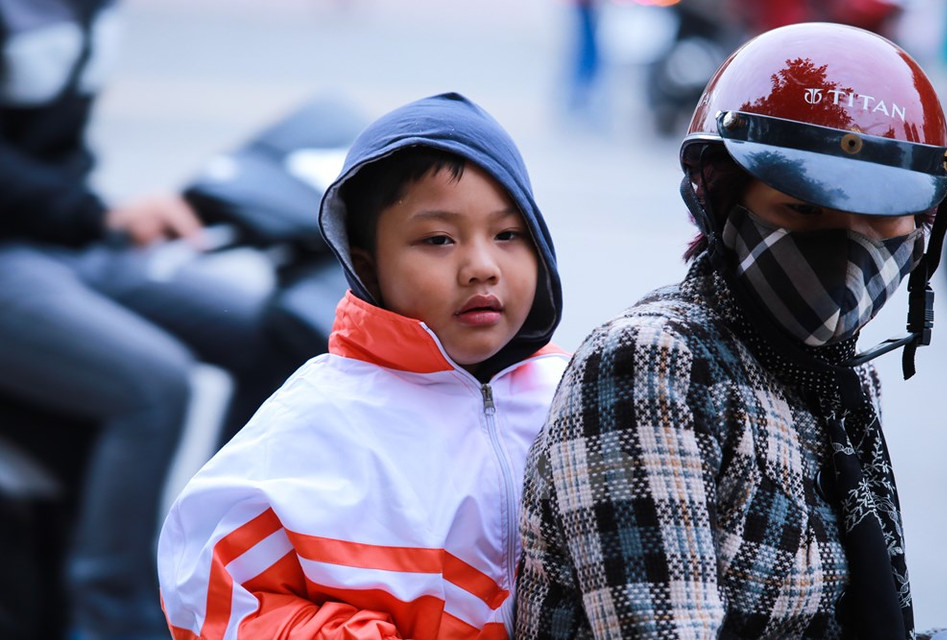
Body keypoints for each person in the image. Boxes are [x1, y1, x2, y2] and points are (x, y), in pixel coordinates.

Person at [515, 22, 947, 640]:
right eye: (805, 209)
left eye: (881, 216)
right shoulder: (651, 366)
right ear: (722, 203)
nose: (849, 244)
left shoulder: (836, 382)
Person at [156, 92, 568, 639]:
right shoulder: (322, 416)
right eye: (438, 239)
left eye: (508, 234)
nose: (481, 267)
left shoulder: (574, 391)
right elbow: (208, 582)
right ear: (367, 264)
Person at [0, 1, 298, 638]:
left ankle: (235, 559)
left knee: (273, 331)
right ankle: (113, 616)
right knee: (155, 383)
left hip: (70, 239)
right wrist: (95, 216)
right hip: (22, 251)